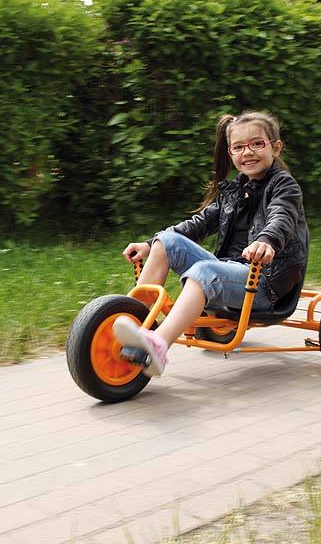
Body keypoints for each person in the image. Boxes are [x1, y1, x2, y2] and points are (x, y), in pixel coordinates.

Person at [113, 111, 310, 377]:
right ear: (230, 153)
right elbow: (198, 224)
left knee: (204, 271)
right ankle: (136, 318)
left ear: (275, 147)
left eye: (257, 144)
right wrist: (150, 244)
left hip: (265, 283)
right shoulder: (233, 192)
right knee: (166, 241)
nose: (247, 152)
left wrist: (267, 241)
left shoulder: (284, 186)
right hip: (233, 274)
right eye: (238, 147)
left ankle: (158, 343)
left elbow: (281, 216)